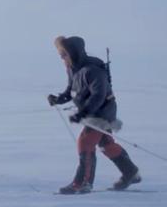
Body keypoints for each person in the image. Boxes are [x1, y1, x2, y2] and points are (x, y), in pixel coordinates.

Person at [47, 36, 141, 194]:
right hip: (91, 111)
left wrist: (82, 113)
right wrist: (59, 99)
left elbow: (98, 95)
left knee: (85, 142)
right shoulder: (73, 69)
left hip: (102, 112)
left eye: (64, 54)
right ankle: (130, 172)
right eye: (60, 55)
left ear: (74, 53)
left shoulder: (93, 70)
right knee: (106, 144)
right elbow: (72, 89)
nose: (62, 58)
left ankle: (83, 183)